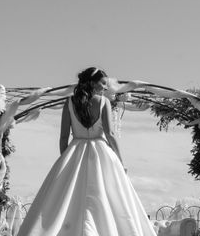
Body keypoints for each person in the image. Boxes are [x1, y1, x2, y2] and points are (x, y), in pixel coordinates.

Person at [16, 67, 157, 236]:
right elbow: (110, 135)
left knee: (65, 201)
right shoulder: (103, 102)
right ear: (91, 82)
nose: (105, 87)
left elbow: (63, 138)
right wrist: (120, 162)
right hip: (101, 152)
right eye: (103, 83)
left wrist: (65, 162)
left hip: (75, 150)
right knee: (110, 195)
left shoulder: (69, 102)